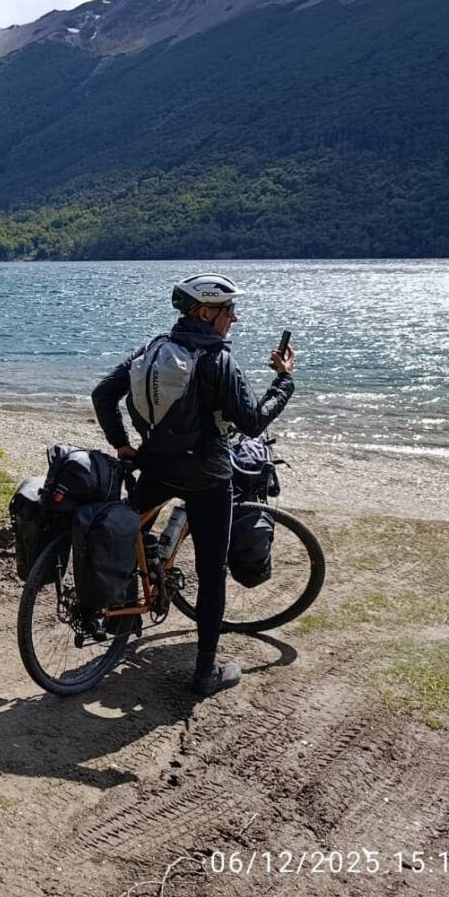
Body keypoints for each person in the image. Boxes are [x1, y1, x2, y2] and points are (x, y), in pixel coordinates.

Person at [91, 273, 296, 697]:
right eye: (229, 311)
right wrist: (284, 381)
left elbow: (102, 394)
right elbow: (253, 422)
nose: (234, 320)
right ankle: (205, 672)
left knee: (129, 533)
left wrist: (123, 445)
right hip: (207, 478)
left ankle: (122, 614)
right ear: (205, 312)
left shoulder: (152, 349)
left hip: (156, 467)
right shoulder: (219, 361)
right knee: (211, 572)